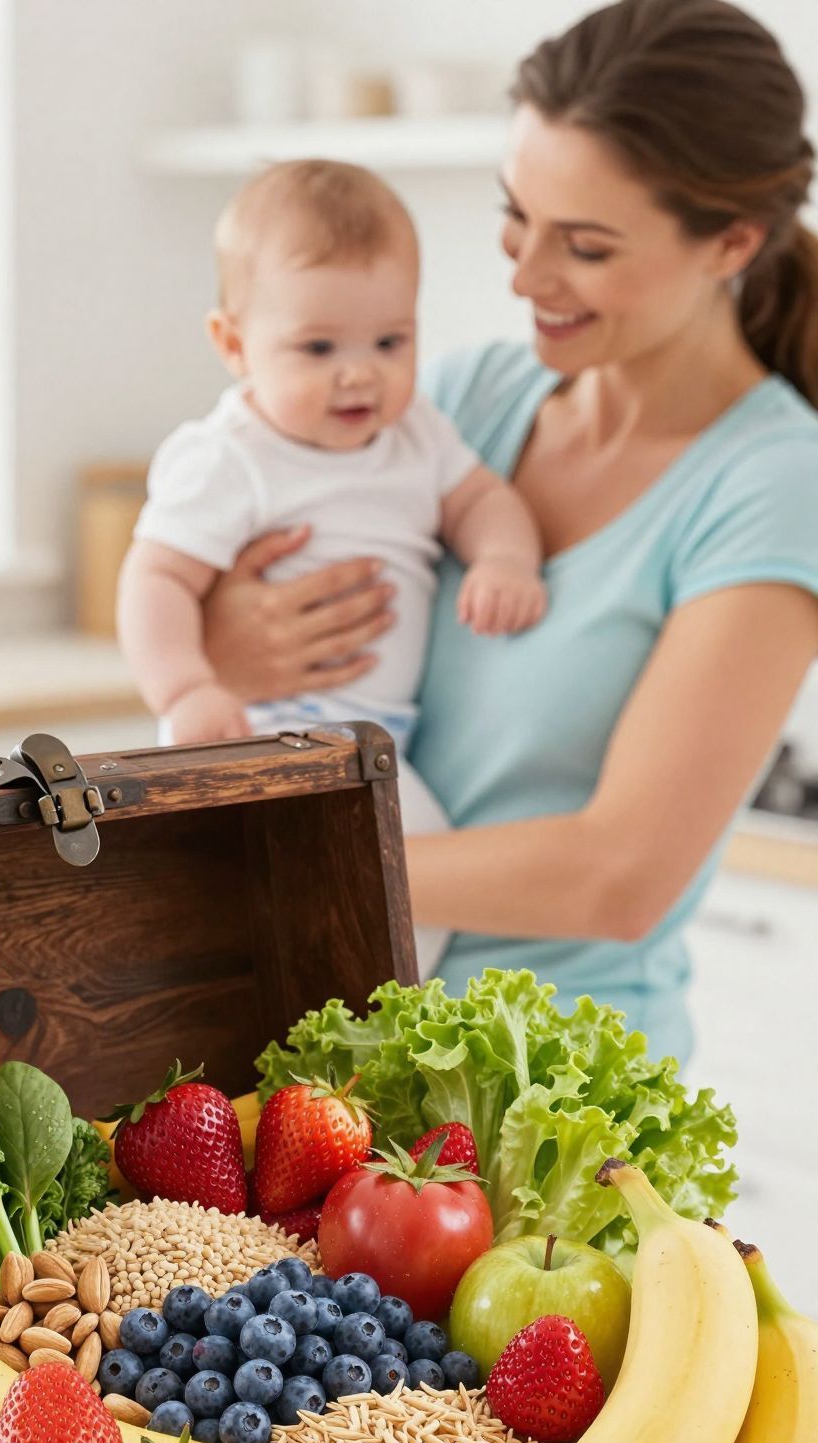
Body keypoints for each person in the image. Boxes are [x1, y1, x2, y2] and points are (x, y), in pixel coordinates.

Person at [195, 0, 818, 1065]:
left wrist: (270, 854)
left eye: (584, 245)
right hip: (350, 1047)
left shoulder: (775, 481)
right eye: (515, 215)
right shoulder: (466, 397)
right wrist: (223, 639)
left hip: (555, 1093)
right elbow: (246, 587)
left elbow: (617, 877)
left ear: (732, 241)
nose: (524, 275)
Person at [118, 159, 545, 967]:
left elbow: (482, 502)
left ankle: (342, 1054)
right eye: (318, 347)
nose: (360, 372)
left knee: (395, 906)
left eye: (391, 340)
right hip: (252, 731)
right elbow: (155, 579)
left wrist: (503, 561)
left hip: (370, 745)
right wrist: (186, 688)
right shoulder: (228, 457)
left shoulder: (417, 432)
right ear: (233, 344)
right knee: (241, 911)